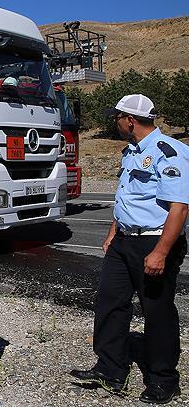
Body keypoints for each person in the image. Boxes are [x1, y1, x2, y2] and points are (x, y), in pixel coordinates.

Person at [70, 94, 188, 404]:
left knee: (157, 310)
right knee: (110, 303)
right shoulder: (131, 151)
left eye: (118, 117)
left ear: (130, 120)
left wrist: (161, 252)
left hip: (154, 241)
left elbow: (179, 208)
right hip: (124, 240)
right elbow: (127, 197)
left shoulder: (169, 152)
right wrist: (113, 232)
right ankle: (110, 369)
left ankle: (163, 379)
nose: (116, 121)